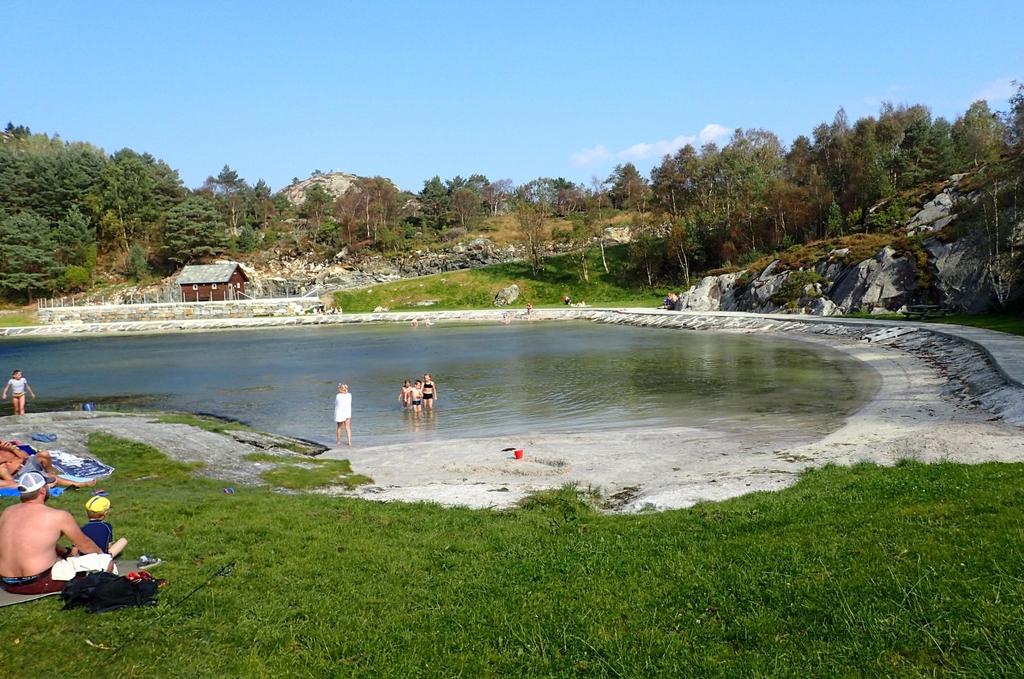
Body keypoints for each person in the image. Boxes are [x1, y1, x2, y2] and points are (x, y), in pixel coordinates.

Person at [0, 472, 110, 595]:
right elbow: (85, 545)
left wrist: (65, 552)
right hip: (38, 582)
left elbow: (29, 542)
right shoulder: (58, 516)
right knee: (105, 563)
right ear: (42, 490)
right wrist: (102, 555)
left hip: (7, 583)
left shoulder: (7, 512)